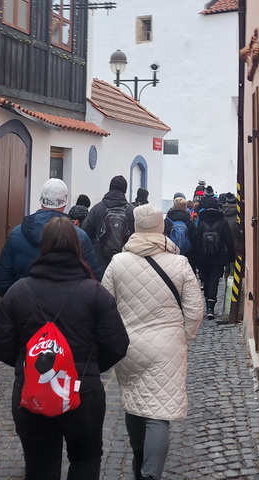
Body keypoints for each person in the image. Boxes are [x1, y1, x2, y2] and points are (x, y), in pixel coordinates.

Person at [0, 217, 130, 480]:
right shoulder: (95, 293)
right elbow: (117, 344)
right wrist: (88, 367)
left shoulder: (18, 292)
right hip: (82, 390)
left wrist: (29, 364)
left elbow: (1, 346)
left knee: (39, 466)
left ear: (43, 247)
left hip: (31, 390)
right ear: (77, 247)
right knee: (86, 460)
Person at [102, 205, 203, 480]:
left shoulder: (118, 263)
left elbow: (105, 307)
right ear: (161, 226)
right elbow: (195, 309)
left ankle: (139, 460)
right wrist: (184, 337)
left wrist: (114, 339)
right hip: (167, 346)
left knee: (135, 403)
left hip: (129, 345)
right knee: (158, 413)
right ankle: (150, 474)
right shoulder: (179, 263)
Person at [0, 179, 101, 297]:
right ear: (64, 203)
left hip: (24, 305)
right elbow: (93, 278)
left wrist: (18, 302)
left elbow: (2, 279)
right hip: (67, 305)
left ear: (41, 200)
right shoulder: (79, 236)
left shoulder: (16, 234)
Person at [81, 175, 135, 273]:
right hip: (125, 265)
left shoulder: (98, 208)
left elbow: (85, 232)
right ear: (125, 190)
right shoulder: (132, 211)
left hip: (100, 263)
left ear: (110, 188)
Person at [195, 195, 236, 319]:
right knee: (214, 281)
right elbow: (228, 240)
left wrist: (196, 258)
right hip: (218, 257)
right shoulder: (222, 221)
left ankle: (207, 300)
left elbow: (197, 241)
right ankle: (210, 307)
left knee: (206, 280)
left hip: (203, 256)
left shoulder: (201, 221)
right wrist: (232, 257)